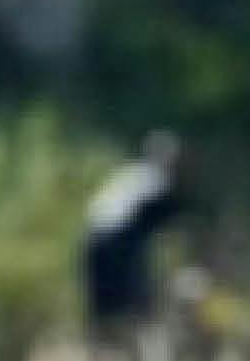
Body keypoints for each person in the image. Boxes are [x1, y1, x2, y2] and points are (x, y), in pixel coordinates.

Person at [78, 133, 187, 340]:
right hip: (118, 241)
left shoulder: (130, 175)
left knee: (103, 308)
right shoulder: (157, 182)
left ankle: (104, 357)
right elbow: (165, 226)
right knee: (135, 305)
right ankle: (134, 355)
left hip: (93, 241)